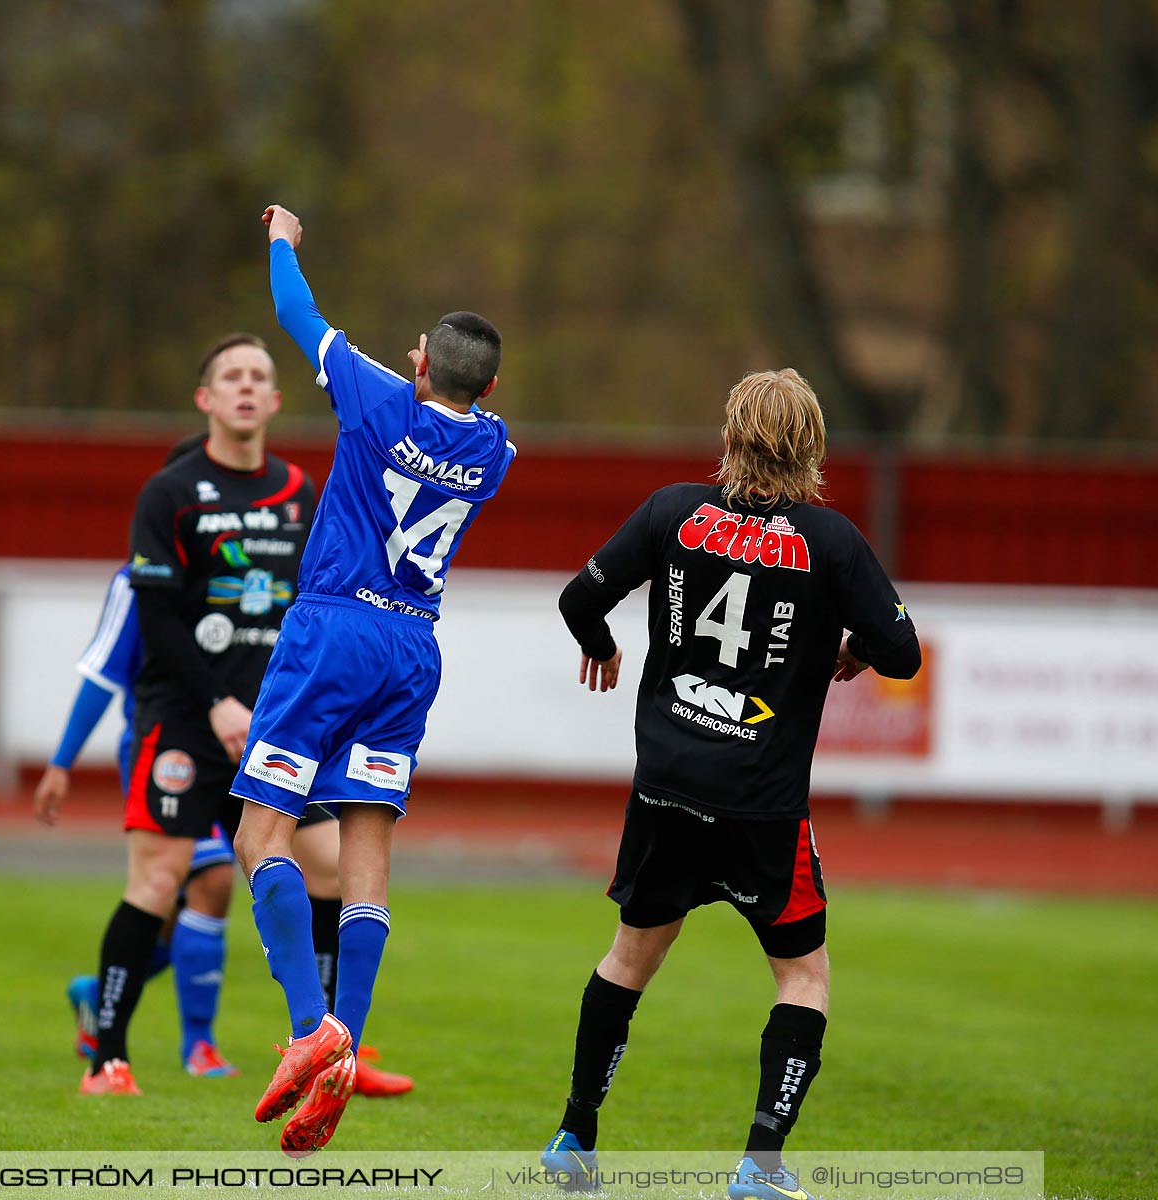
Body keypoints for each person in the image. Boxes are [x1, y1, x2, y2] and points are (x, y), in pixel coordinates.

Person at [536, 368, 920, 1199]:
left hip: (666, 786)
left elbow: (578, 600)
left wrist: (602, 645)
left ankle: (575, 1134)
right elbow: (905, 653)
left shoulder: (672, 510)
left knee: (628, 960)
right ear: (809, 445)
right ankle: (761, 1164)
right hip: (761, 803)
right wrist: (852, 646)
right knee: (804, 977)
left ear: (731, 434)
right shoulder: (831, 540)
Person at [230, 204, 516, 1155]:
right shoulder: (495, 450)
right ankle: (348, 1039)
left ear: (421, 361)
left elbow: (294, 309)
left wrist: (283, 236)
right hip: (413, 648)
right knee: (367, 850)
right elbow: (471, 414)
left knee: (258, 832)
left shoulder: (375, 395)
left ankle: (310, 1024)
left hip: (334, 629)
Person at [45, 332, 320, 1097]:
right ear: (205, 398)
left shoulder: (302, 493)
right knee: (161, 881)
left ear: (274, 400)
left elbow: (315, 609)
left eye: (258, 376)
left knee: (323, 867)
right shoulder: (169, 493)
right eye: (229, 374)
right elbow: (156, 620)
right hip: (184, 722)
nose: (244, 386)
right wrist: (217, 702)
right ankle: (108, 1060)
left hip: (275, 722)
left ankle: (328, 1048)